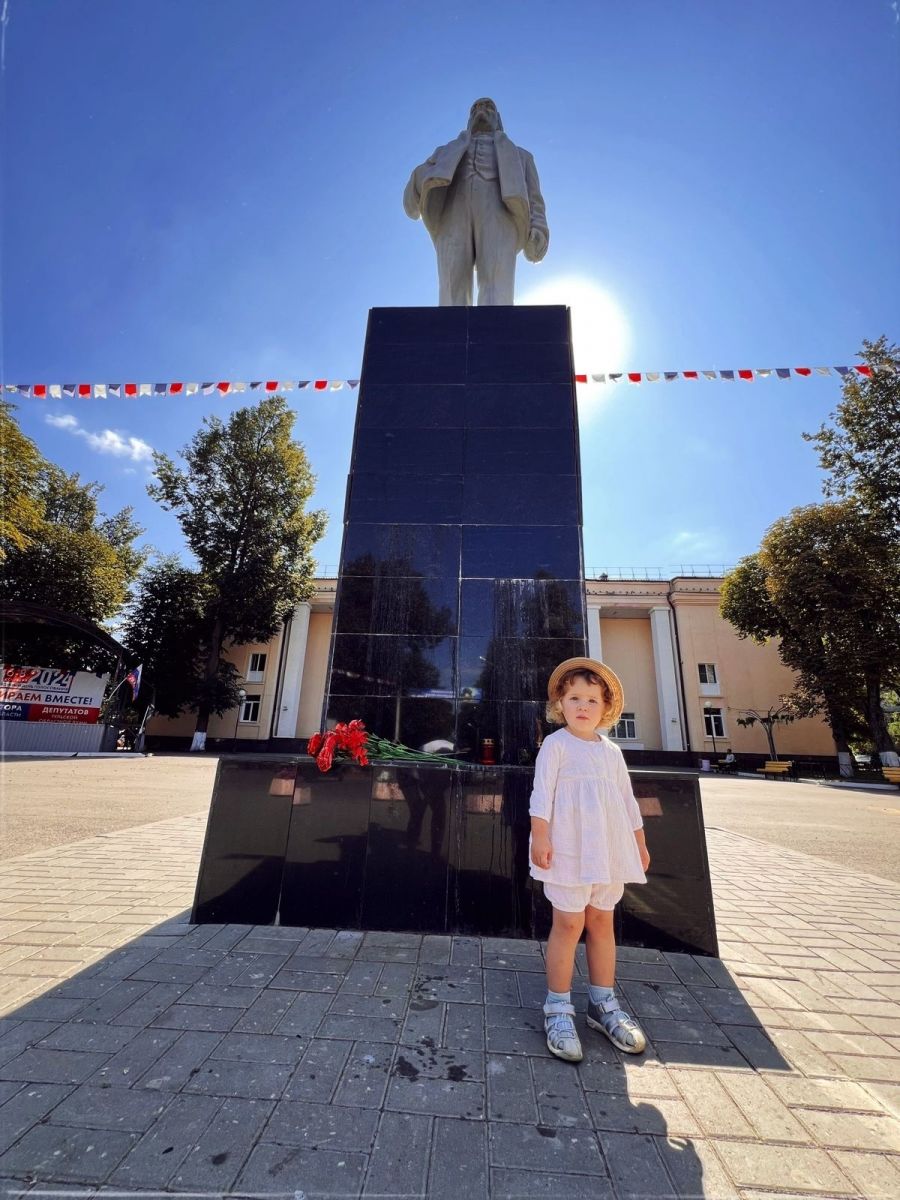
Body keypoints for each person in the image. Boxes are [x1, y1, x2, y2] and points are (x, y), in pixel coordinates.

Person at [529, 657, 650, 1062]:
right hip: (568, 849)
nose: (583, 706)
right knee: (568, 922)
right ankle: (558, 1007)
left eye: (592, 700)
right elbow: (541, 794)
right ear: (560, 704)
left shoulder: (612, 752)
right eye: (575, 698)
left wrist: (639, 843)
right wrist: (541, 836)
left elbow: (627, 801)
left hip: (607, 850)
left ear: (605, 707)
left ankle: (603, 1004)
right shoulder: (556, 745)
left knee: (601, 920)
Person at [403, 97, 549, 306]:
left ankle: (495, 333)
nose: (481, 109)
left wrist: (539, 227)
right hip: (453, 213)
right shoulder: (446, 152)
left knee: (497, 284)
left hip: (501, 213)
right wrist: (418, 184)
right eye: (476, 108)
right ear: (469, 120)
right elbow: (420, 179)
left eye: (488, 107)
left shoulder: (521, 156)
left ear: (498, 119)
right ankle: (450, 335)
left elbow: (535, 197)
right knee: (452, 285)